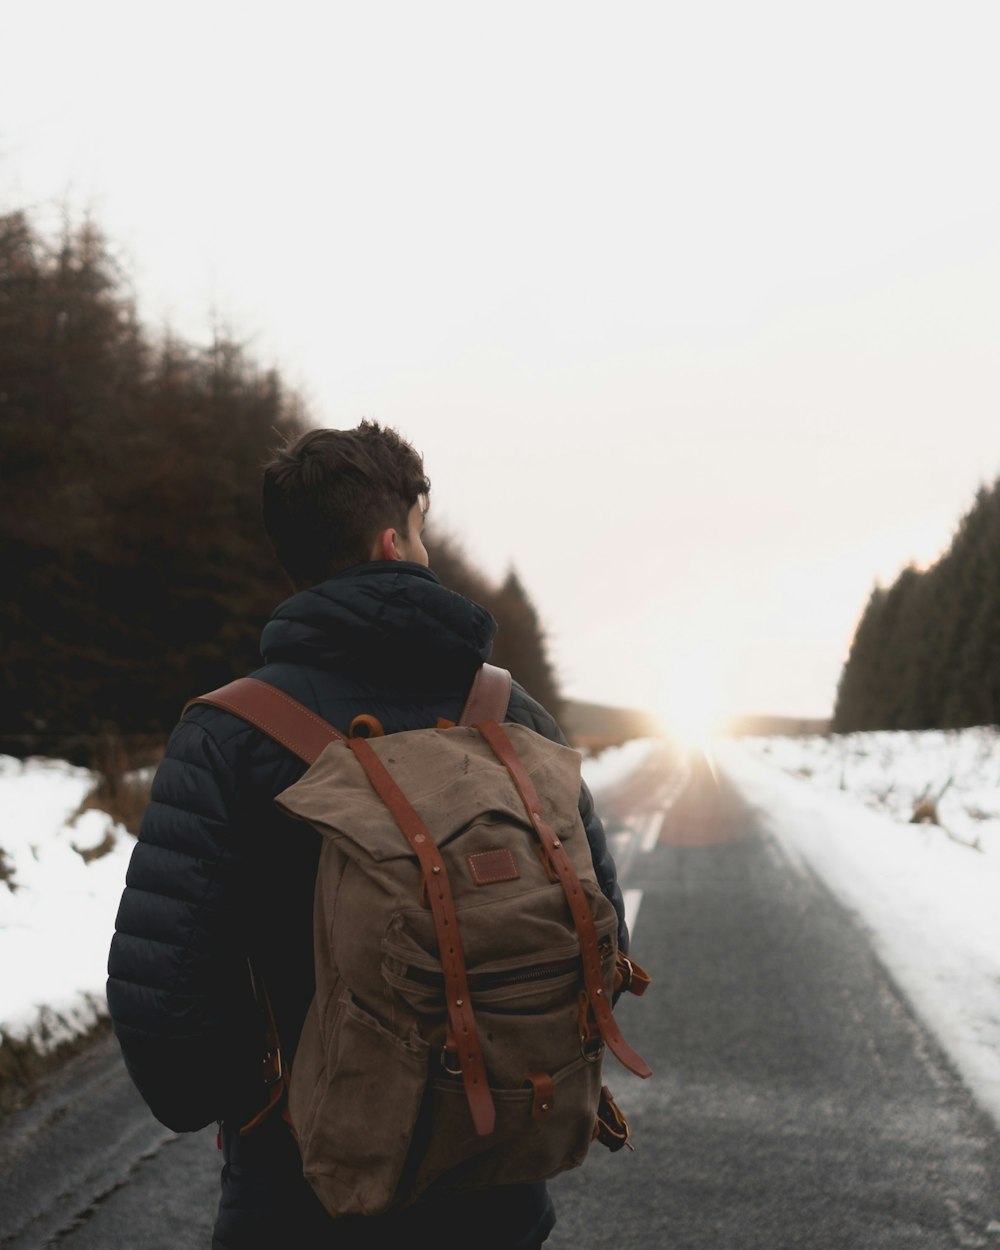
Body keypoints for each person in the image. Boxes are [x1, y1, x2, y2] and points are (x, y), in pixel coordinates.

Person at [107, 420, 630, 1250]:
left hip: (302, 1194)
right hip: (497, 1182)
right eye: (422, 530)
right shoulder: (509, 715)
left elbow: (164, 1001)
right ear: (395, 540)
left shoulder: (225, 737)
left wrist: (255, 1102)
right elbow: (601, 930)